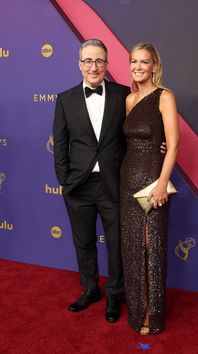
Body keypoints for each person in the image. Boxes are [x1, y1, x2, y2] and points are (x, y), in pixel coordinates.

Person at [53, 39, 130, 323]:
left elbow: (135, 136)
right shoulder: (65, 99)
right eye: (88, 61)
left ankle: (113, 295)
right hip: (78, 186)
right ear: (79, 64)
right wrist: (64, 179)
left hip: (113, 184)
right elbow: (59, 144)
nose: (93, 66)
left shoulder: (124, 95)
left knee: (116, 244)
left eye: (99, 61)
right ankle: (90, 289)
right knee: (83, 242)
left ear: (107, 64)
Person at [120, 42, 179, 335]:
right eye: (134, 62)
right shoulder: (129, 100)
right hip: (127, 180)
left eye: (144, 62)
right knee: (132, 248)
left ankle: (152, 315)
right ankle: (136, 311)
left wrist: (160, 185)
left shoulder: (164, 96)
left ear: (155, 65)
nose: (138, 67)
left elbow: (174, 144)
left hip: (153, 181)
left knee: (151, 247)